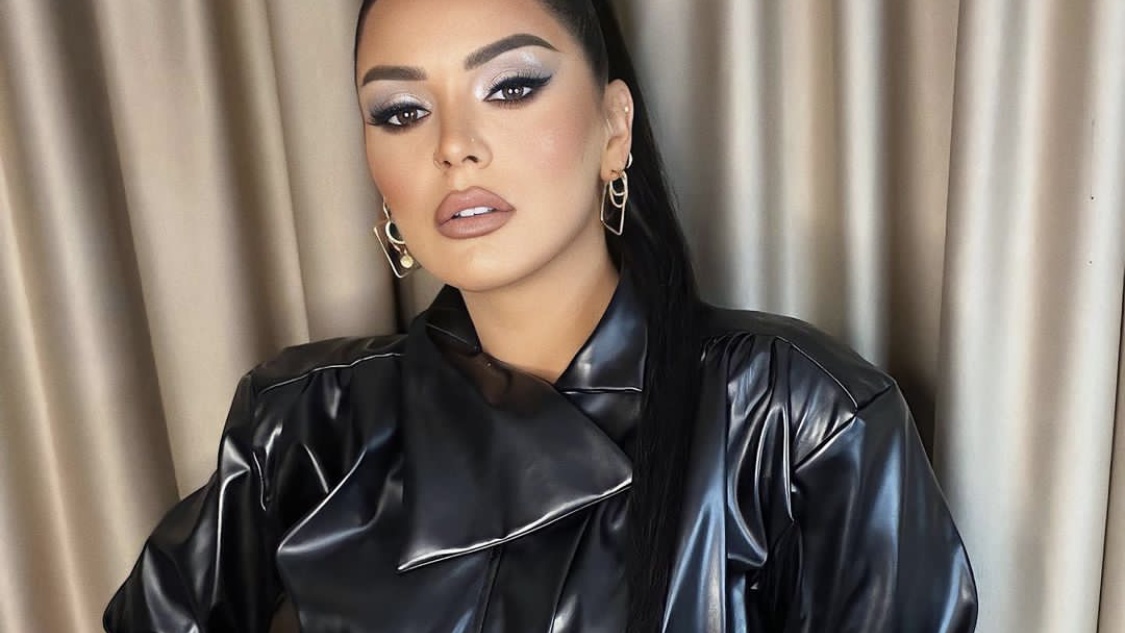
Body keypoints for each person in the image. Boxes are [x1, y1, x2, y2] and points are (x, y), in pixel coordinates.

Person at [103, 0, 978, 631]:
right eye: (401, 111)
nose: (453, 145)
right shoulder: (304, 425)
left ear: (613, 127)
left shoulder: (795, 416)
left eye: (510, 87)